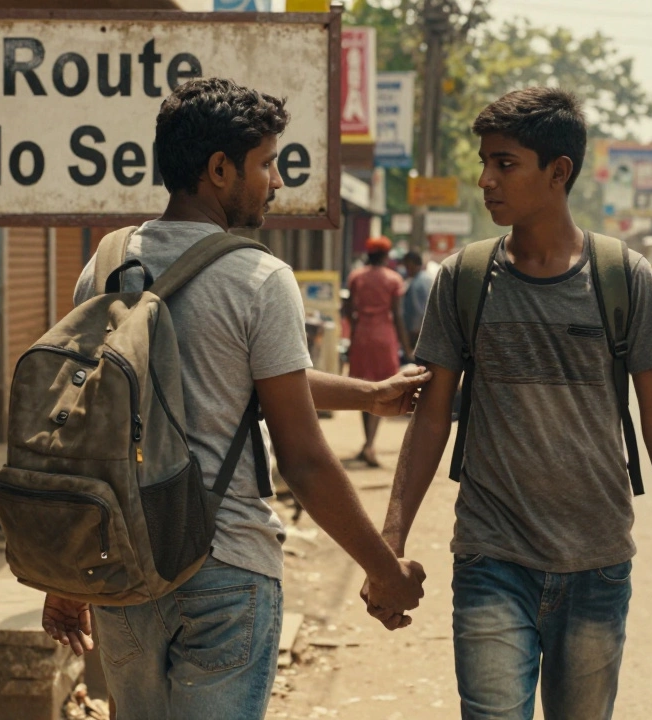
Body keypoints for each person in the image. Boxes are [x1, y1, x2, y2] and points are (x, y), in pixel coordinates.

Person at [47, 78, 428, 720]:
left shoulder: (108, 260)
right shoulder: (259, 278)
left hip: (123, 563)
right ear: (219, 169)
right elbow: (302, 458)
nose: (276, 182)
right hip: (225, 568)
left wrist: (369, 396)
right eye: (267, 163)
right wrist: (383, 568)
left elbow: (92, 418)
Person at [371, 88, 652, 720]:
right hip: (491, 558)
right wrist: (388, 542)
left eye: (505, 163)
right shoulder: (465, 278)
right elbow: (432, 417)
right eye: (485, 162)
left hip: (598, 565)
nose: (485, 180)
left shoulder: (623, 276)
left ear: (558, 172)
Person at [345, 237, 412, 467]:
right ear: (385, 256)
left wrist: (353, 335)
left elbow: (348, 310)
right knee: (383, 389)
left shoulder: (356, 276)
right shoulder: (393, 279)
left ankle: (367, 442)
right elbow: (398, 315)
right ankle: (370, 445)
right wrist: (406, 346)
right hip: (385, 336)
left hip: (362, 335)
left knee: (364, 389)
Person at [401, 250, 434, 357]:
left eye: (407, 265)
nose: (406, 269)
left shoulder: (416, 283)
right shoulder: (428, 278)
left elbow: (418, 311)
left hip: (419, 332)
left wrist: (413, 333)